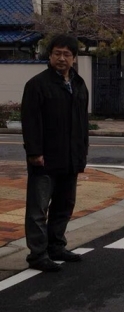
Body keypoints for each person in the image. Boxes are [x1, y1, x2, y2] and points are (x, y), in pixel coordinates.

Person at [21, 34, 89, 272]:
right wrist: (34, 153)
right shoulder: (37, 85)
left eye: (67, 54)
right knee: (38, 209)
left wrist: (82, 153)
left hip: (70, 158)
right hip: (45, 159)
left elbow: (82, 123)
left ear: (74, 58)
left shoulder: (79, 85)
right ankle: (38, 255)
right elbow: (30, 122)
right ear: (49, 56)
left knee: (64, 205)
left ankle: (56, 246)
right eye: (57, 53)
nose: (62, 58)